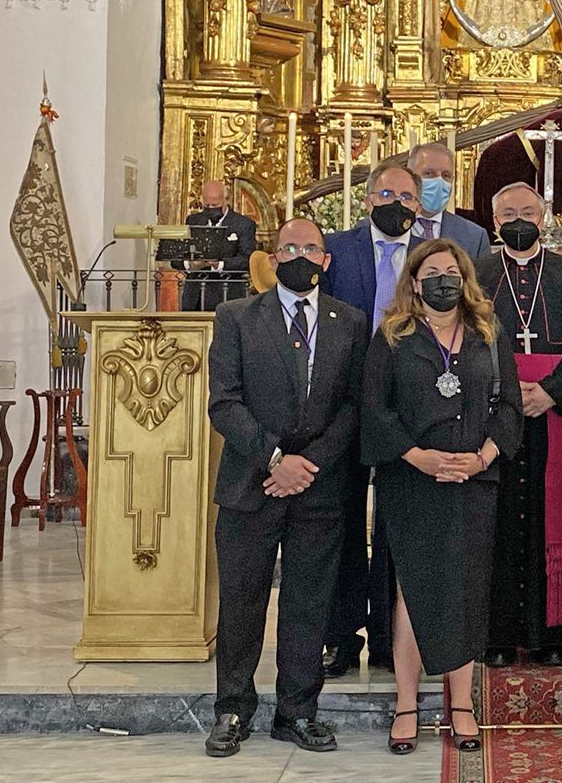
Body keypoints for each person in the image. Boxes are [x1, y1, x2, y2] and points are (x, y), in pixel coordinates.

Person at [204, 218, 369, 758]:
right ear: (273, 258)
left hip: (319, 488)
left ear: (326, 260)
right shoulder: (235, 317)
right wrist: (276, 458)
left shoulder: (351, 321)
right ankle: (233, 707)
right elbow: (224, 402)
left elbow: (352, 406)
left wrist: (307, 464)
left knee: (307, 602)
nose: (301, 255)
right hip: (251, 484)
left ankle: (297, 710)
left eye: (311, 248)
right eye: (289, 247)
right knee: (242, 600)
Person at [361, 239, 523, 755]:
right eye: (432, 272)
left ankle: (461, 706)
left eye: (452, 271)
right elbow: (375, 410)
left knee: (466, 590)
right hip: (413, 481)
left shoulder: (487, 333)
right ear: (414, 282)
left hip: (475, 479)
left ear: (466, 278)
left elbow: (511, 408)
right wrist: (418, 457)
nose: (443, 280)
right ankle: (406, 705)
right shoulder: (391, 337)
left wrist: (483, 457)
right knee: (415, 590)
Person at [475, 183, 562, 668]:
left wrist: (551, 391)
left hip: (555, 410)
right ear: (494, 220)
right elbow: (466, 342)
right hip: (496, 412)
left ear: (544, 216)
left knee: (554, 515)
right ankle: (499, 633)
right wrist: (508, 395)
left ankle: (552, 632)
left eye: (528, 211)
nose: (519, 219)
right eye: (509, 212)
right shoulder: (479, 273)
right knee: (499, 519)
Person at [320, 161, 428, 678]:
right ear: (367, 199)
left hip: (403, 408)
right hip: (341, 403)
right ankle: (341, 635)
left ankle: (390, 638)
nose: (397, 204)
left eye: (407, 197)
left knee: (397, 522)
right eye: (387, 194)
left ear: (419, 205)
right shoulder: (338, 249)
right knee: (338, 520)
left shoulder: (429, 257)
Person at [180, 179, 257, 312]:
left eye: (215, 205)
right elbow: (178, 256)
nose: (210, 209)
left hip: (227, 294)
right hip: (195, 296)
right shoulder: (193, 220)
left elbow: (247, 260)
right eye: (207, 205)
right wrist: (192, 264)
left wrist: (218, 264)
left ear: (226, 200)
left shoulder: (243, 224)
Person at [409, 142, 492, 259]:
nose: (439, 181)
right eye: (429, 173)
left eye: (446, 175)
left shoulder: (475, 237)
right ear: (411, 177)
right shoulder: (391, 226)